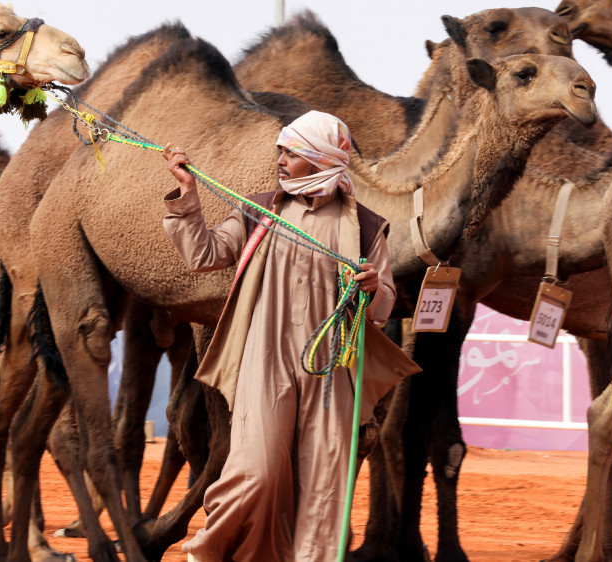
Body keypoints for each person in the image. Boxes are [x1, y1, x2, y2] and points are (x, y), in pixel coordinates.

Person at [162, 110, 419, 561]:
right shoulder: (260, 210)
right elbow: (204, 254)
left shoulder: (367, 226)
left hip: (331, 369)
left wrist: (374, 286)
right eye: (280, 150)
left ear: (319, 160)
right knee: (254, 472)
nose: (280, 160)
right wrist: (187, 195)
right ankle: (208, 553)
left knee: (324, 486)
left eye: (291, 152)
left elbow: (381, 311)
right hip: (264, 360)